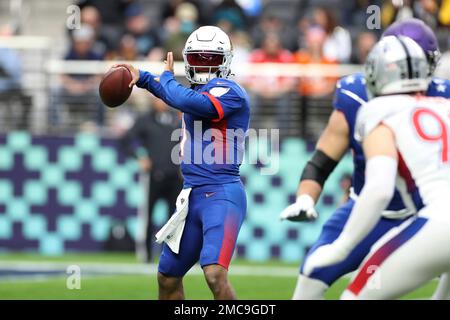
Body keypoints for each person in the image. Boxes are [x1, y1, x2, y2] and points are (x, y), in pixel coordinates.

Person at [279, 18, 450, 300]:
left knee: (356, 295)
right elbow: (321, 161)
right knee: (311, 274)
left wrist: (341, 247)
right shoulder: (442, 104)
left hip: (419, 213)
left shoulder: (378, 108)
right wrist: (305, 199)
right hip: (376, 212)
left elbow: (379, 189)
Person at [115, 26, 250, 300]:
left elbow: (187, 100)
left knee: (214, 274)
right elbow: (179, 96)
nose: (203, 65)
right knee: (166, 277)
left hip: (221, 194)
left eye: (210, 58)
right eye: (198, 58)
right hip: (191, 196)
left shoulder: (231, 91)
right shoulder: (192, 93)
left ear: (225, 61)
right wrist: (142, 78)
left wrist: (163, 77)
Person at [118, 98, 182, 262]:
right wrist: (139, 158)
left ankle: (169, 255)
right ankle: (146, 254)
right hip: (154, 176)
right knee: (148, 216)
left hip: (175, 176)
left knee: (174, 219)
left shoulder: (178, 118)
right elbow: (125, 140)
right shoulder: (145, 120)